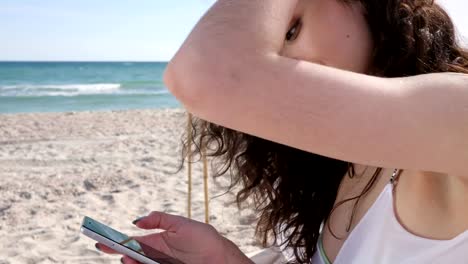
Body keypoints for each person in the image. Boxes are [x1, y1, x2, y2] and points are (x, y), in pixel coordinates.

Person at [98, 0, 468, 263]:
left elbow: (207, 74)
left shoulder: (457, 110)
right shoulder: (345, 163)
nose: (279, 65)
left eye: (292, 30)